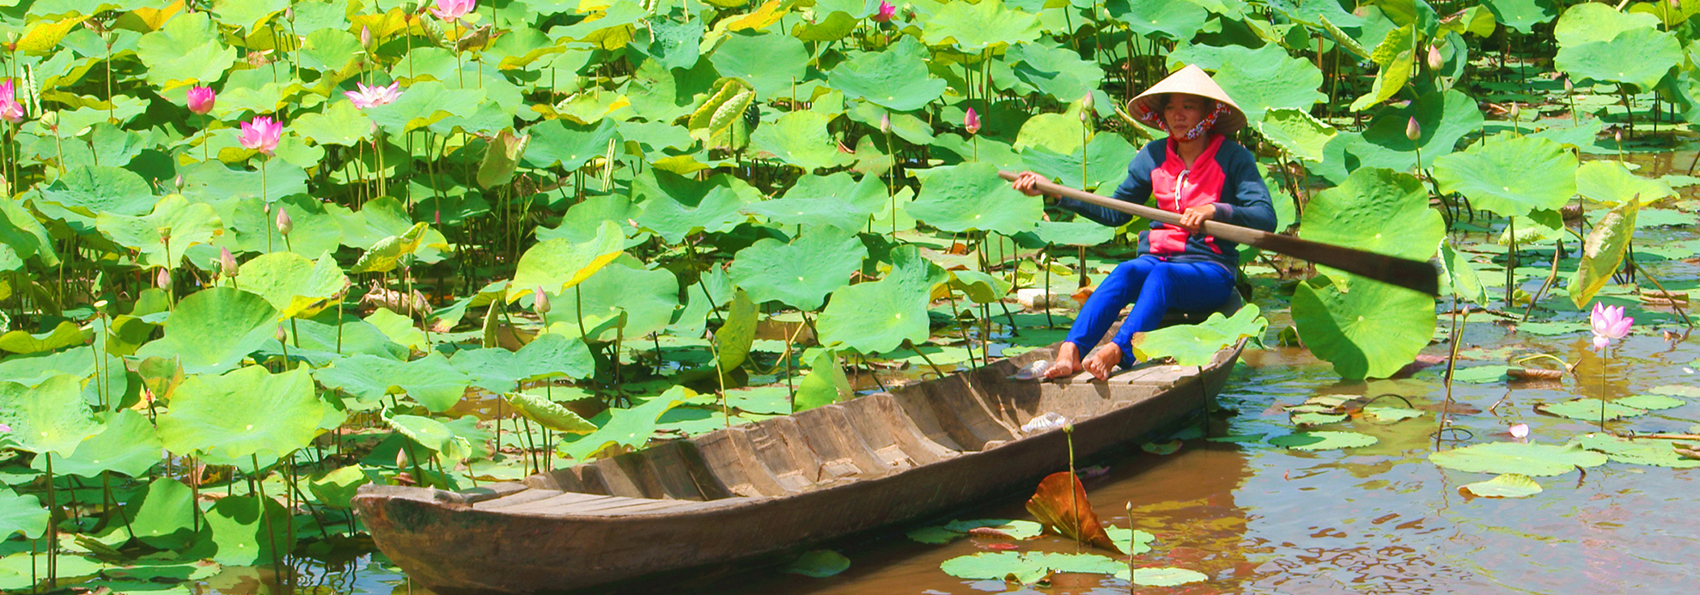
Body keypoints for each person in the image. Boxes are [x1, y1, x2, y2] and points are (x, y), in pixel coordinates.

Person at [1011, 64, 1276, 380]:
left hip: (1210, 269)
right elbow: (1116, 212)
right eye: (1171, 107)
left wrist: (1215, 210)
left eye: (1188, 107)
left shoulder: (1233, 157)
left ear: (1208, 112)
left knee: (1163, 276)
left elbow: (1265, 218)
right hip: (1157, 259)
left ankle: (1117, 350)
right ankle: (1072, 350)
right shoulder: (1152, 156)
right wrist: (1054, 193)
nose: (1177, 115)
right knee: (1126, 270)